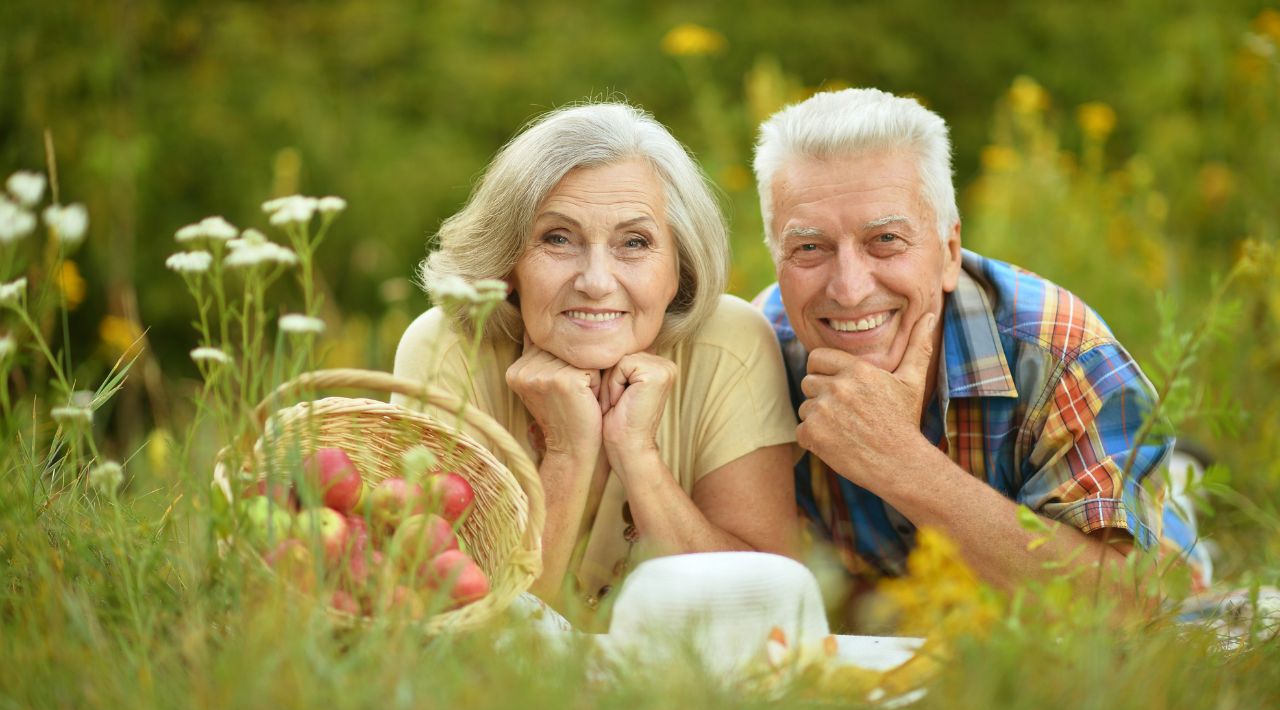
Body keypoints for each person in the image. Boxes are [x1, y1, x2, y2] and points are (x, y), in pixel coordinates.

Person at [750, 88, 1208, 599]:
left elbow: (1127, 605)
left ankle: (1181, 491)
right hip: (906, 601)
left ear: (949, 251)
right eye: (809, 248)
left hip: (1079, 569)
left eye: (886, 241)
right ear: (777, 260)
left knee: (1180, 568)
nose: (850, 289)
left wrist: (901, 462)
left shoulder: (1062, 353)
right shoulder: (755, 354)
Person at [393, 103, 798, 613]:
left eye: (634, 242)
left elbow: (768, 611)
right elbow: (458, 620)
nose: (596, 281)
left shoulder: (731, 343)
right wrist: (567, 453)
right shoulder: (448, 349)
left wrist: (637, 453)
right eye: (557, 238)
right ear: (507, 262)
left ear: (681, 265)